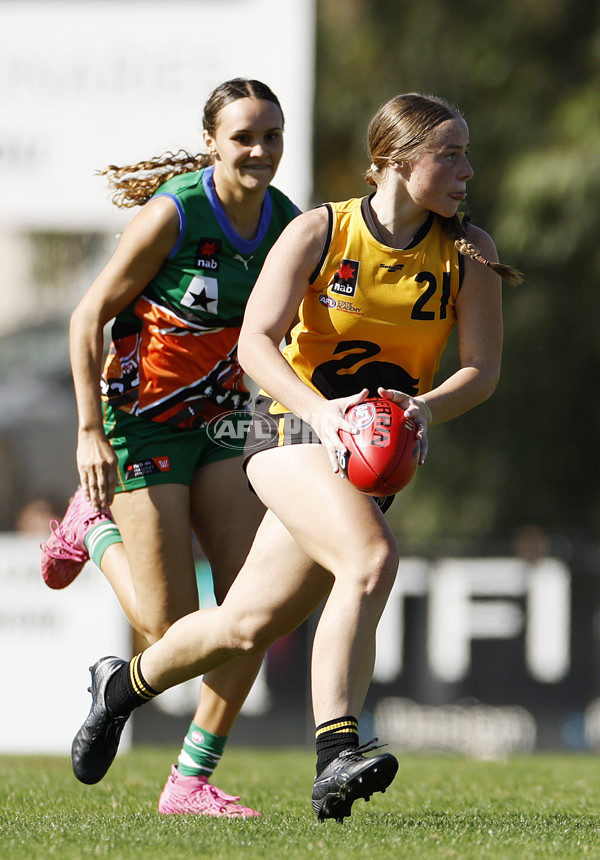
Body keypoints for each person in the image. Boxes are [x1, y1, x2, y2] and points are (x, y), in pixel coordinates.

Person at [69, 92, 522, 821]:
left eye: (466, 153)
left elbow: (484, 371)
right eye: (451, 154)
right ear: (396, 163)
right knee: (370, 560)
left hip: (374, 458)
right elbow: (254, 342)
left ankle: (121, 686)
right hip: (286, 430)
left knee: (244, 626)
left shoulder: (469, 252)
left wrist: (423, 407)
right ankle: (336, 750)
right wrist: (324, 413)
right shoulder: (321, 230)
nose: (467, 169)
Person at [41, 78, 313, 817]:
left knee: (251, 608)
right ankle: (89, 529)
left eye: (272, 137)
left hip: (225, 425)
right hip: (142, 425)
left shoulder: (289, 223)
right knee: (169, 635)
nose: (260, 151)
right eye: (244, 137)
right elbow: (86, 317)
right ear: (211, 143)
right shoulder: (176, 211)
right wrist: (89, 432)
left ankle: (189, 782)